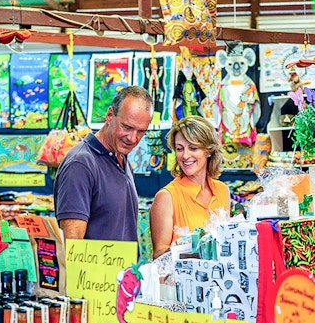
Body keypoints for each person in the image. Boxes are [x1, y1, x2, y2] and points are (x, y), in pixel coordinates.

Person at [54, 86, 153, 241]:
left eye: (141, 131)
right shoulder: (80, 164)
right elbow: (72, 245)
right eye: (127, 127)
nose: (133, 138)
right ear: (109, 115)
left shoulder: (121, 157)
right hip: (94, 265)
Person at [150, 115, 230, 259]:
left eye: (193, 148)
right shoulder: (166, 197)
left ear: (209, 151)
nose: (185, 156)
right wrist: (191, 250)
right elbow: (159, 256)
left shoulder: (222, 190)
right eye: (180, 149)